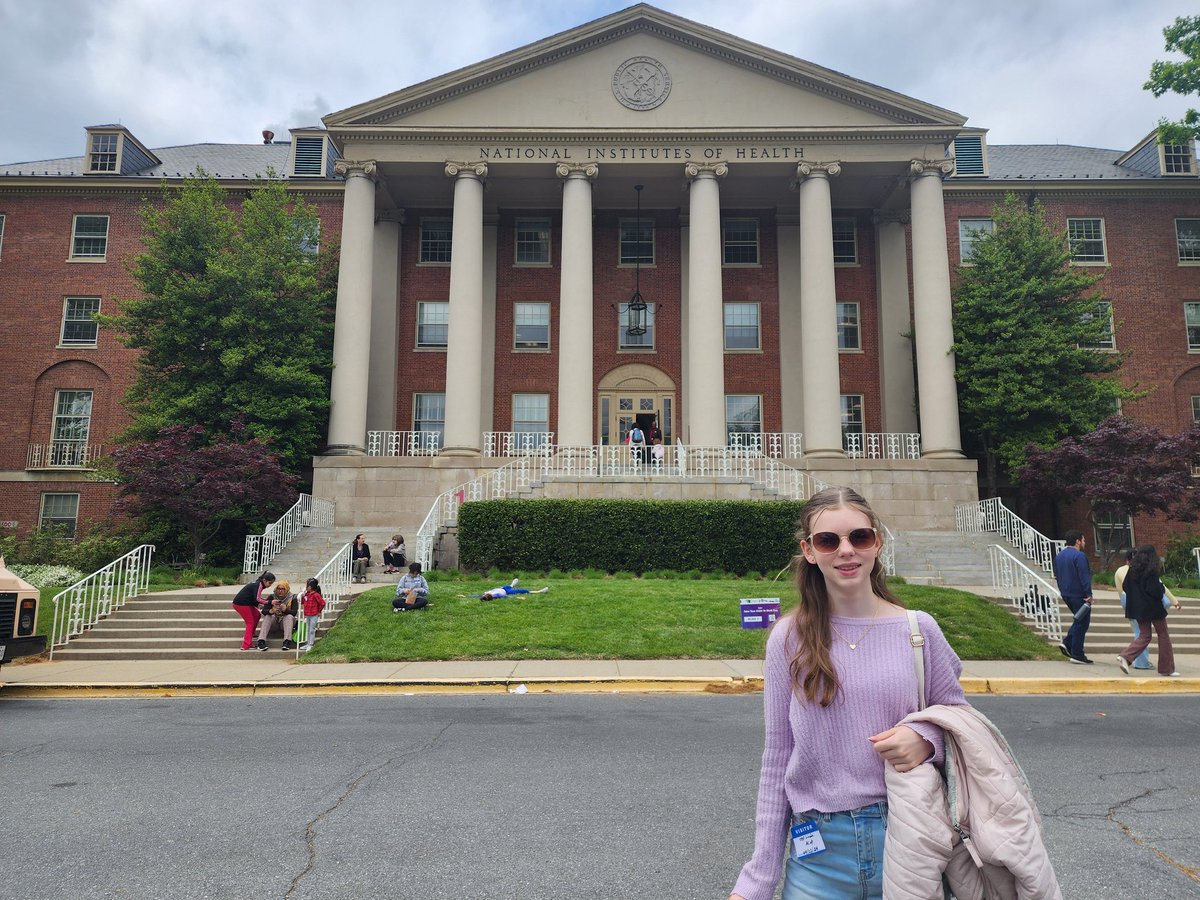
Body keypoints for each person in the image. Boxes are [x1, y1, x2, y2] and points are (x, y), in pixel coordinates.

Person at [729, 486, 966, 900]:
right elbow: (777, 759)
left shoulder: (918, 630)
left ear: (877, 543)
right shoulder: (789, 637)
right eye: (828, 540)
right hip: (816, 852)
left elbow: (961, 724)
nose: (846, 551)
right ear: (809, 550)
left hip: (909, 838)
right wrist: (757, 882)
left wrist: (926, 741)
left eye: (859, 536)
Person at [1117, 544, 1181, 677]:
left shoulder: (1132, 569)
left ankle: (1126, 656)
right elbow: (1155, 591)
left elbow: (1125, 587)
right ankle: (1167, 668)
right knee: (1163, 634)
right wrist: (1162, 590)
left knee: (1144, 635)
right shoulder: (1151, 570)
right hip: (1153, 608)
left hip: (1138, 609)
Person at [1053, 529, 1093, 664]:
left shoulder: (1059, 556)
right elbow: (1084, 576)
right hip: (1079, 594)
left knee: (1078, 620)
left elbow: (1057, 575)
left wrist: (1062, 590)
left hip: (1066, 593)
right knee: (1082, 623)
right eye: (1083, 540)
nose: (1084, 542)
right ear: (1077, 541)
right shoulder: (1079, 556)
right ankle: (1077, 653)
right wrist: (1089, 594)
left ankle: (1068, 643)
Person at [232, 572, 274, 651]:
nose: (270, 585)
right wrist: (270, 602)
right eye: (270, 583)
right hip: (241, 604)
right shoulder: (258, 585)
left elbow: (254, 598)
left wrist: (259, 605)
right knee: (250, 622)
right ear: (264, 580)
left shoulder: (259, 584)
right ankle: (246, 645)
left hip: (245, 603)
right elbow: (258, 599)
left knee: (257, 614)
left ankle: (252, 633)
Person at [258, 580, 299, 651]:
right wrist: (272, 611)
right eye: (278, 589)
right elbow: (264, 611)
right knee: (268, 616)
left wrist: (285, 610)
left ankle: (287, 642)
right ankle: (261, 641)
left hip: (285, 623)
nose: (280, 591)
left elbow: (294, 613)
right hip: (274, 623)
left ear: (287, 589)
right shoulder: (272, 597)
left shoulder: (293, 598)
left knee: (289, 616)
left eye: (283, 589)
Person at [300, 577, 326, 652]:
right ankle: (308, 643)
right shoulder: (307, 594)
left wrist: (319, 611)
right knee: (308, 629)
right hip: (307, 614)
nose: (306, 587)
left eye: (307, 586)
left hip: (314, 614)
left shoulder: (316, 595)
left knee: (312, 629)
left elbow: (322, 603)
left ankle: (311, 644)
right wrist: (302, 596)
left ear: (311, 587)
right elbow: (303, 602)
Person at [480, 577, 550, 601]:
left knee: (508, 586)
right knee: (523, 591)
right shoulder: (498, 595)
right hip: (507, 591)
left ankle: (512, 584)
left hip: (503, 588)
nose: (485, 593)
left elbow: (478, 596)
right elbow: (508, 597)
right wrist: (519, 598)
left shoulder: (486, 594)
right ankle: (540, 591)